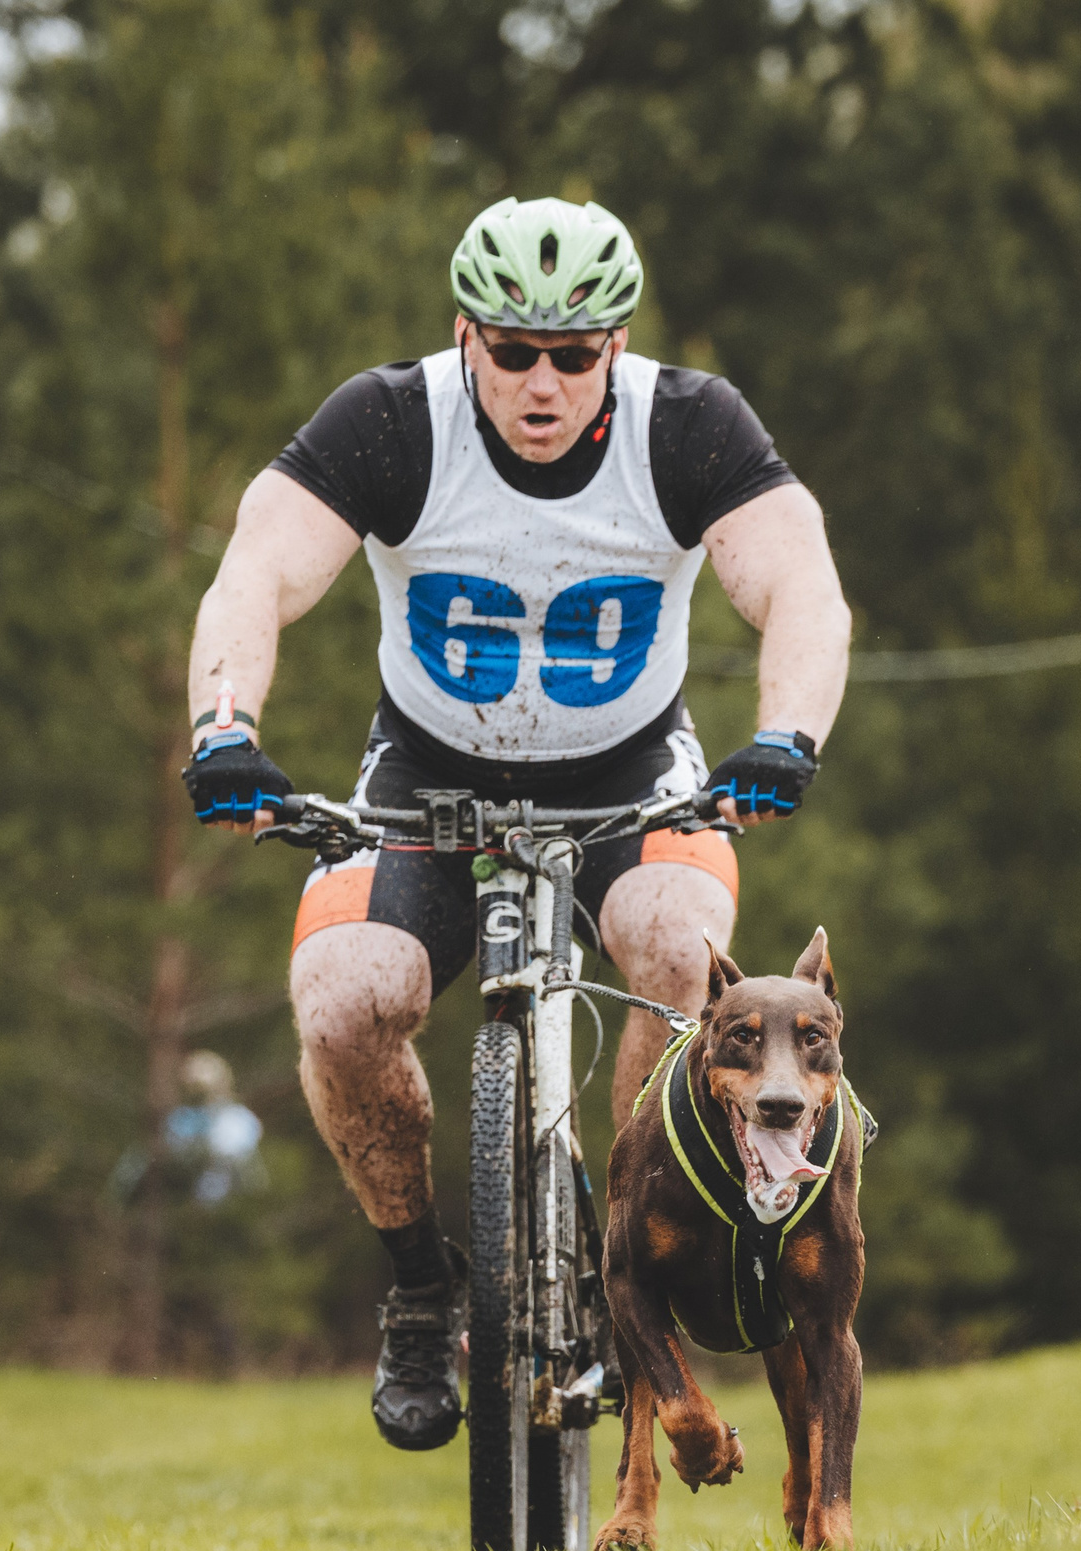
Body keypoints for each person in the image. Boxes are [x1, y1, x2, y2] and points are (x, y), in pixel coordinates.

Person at [180, 196, 851, 1449]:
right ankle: (419, 1288)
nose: (542, 382)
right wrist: (225, 727)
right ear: (465, 336)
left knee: (676, 945)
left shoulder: (688, 424)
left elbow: (800, 584)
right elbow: (256, 569)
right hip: (424, 770)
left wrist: (786, 736)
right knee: (342, 1001)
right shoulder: (390, 420)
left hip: (632, 774)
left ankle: (631, 1252)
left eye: (574, 354)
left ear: (616, 345)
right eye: (512, 350)